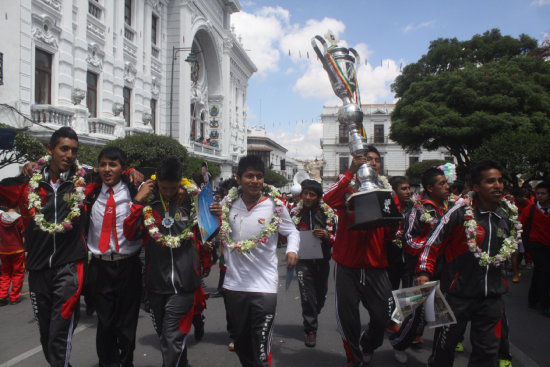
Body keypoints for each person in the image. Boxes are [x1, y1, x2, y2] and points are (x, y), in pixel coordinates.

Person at [416, 160, 521, 366]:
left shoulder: (506, 215)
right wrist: (424, 271)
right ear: (476, 187)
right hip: (456, 294)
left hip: (491, 296)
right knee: (444, 348)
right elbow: (433, 242)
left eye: (500, 180)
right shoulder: (459, 213)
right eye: (490, 181)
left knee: (487, 351)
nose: (498, 185)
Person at [0, 127, 89, 366]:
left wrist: (134, 172)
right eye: (64, 149)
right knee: (47, 334)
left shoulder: (83, 181)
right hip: (38, 269)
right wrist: (24, 170)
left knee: (60, 331)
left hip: (69, 268)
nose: (70, 155)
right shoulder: (28, 184)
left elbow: (112, 170)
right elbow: (3, 187)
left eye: (74, 150)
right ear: (49, 150)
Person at [124, 157, 215, 367]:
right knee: (167, 337)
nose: (168, 192)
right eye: (163, 188)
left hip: (185, 284)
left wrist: (212, 212)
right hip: (155, 285)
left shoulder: (192, 201)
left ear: (180, 183)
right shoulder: (148, 203)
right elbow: (130, 234)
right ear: (156, 183)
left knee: (172, 337)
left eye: (172, 188)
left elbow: (209, 232)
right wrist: (137, 202)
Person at [220, 155, 299, 367]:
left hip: (264, 286)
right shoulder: (226, 205)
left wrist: (292, 250)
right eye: (249, 176)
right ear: (239, 179)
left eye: (259, 176)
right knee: (241, 341)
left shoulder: (276, 206)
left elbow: (292, 232)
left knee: (261, 344)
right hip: (234, 284)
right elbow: (210, 228)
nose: (255, 181)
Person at [323, 146, 395, 366]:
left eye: (376, 160)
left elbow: (393, 224)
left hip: (376, 265)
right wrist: (350, 170)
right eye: (367, 159)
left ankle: (369, 343)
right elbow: (328, 197)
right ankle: (353, 358)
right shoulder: (346, 189)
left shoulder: (385, 190)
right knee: (348, 318)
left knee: (383, 316)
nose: (371, 163)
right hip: (347, 265)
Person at [85, 146, 143, 367]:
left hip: (128, 266)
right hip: (100, 268)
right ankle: (106, 362)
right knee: (105, 322)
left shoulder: (134, 190)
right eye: (103, 164)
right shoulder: (89, 193)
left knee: (127, 324)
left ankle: (126, 360)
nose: (107, 169)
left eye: (113, 164)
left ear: (123, 169)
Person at [390, 168, 451, 364]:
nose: (447, 187)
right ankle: (398, 343)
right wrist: (430, 247)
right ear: (430, 188)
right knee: (415, 315)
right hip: (418, 270)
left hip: (441, 269)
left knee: (440, 316)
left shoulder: (447, 208)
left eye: (446, 183)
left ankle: (438, 356)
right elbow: (409, 240)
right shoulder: (419, 209)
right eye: (442, 184)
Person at [290, 179, 335, 348]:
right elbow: (287, 234)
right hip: (302, 261)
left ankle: (313, 313)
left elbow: (338, 239)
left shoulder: (327, 213)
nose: (307, 197)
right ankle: (310, 330)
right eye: (305, 194)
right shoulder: (295, 212)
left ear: (318, 197)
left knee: (320, 296)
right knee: (307, 296)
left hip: (322, 260)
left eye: (312, 194)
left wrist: (326, 235)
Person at [519, 181, 550, 316]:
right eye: (538, 194)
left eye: (543, 193)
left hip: (548, 245)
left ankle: (533, 298)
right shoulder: (530, 210)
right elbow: (520, 225)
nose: (540, 196)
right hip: (535, 245)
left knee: (539, 272)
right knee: (545, 272)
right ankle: (545, 304)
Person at [0, 205, 26, 305]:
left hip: (3, 249)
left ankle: (2, 294)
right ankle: (14, 296)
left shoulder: (1, 217)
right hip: (17, 249)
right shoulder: (19, 218)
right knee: (18, 273)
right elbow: (23, 234)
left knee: (5, 273)